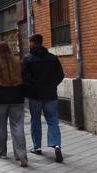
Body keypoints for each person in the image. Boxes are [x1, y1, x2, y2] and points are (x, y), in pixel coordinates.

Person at [22, 34, 64, 163]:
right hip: (51, 94)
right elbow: (60, 75)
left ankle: (37, 147)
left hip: (35, 96)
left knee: (35, 120)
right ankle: (56, 145)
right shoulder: (52, 58)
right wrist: (52, 85)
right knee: (53, 121)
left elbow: (23, 77)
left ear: (33, 43)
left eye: (30, 42)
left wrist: (30, 87)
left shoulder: (27, 59)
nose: (29, 45)